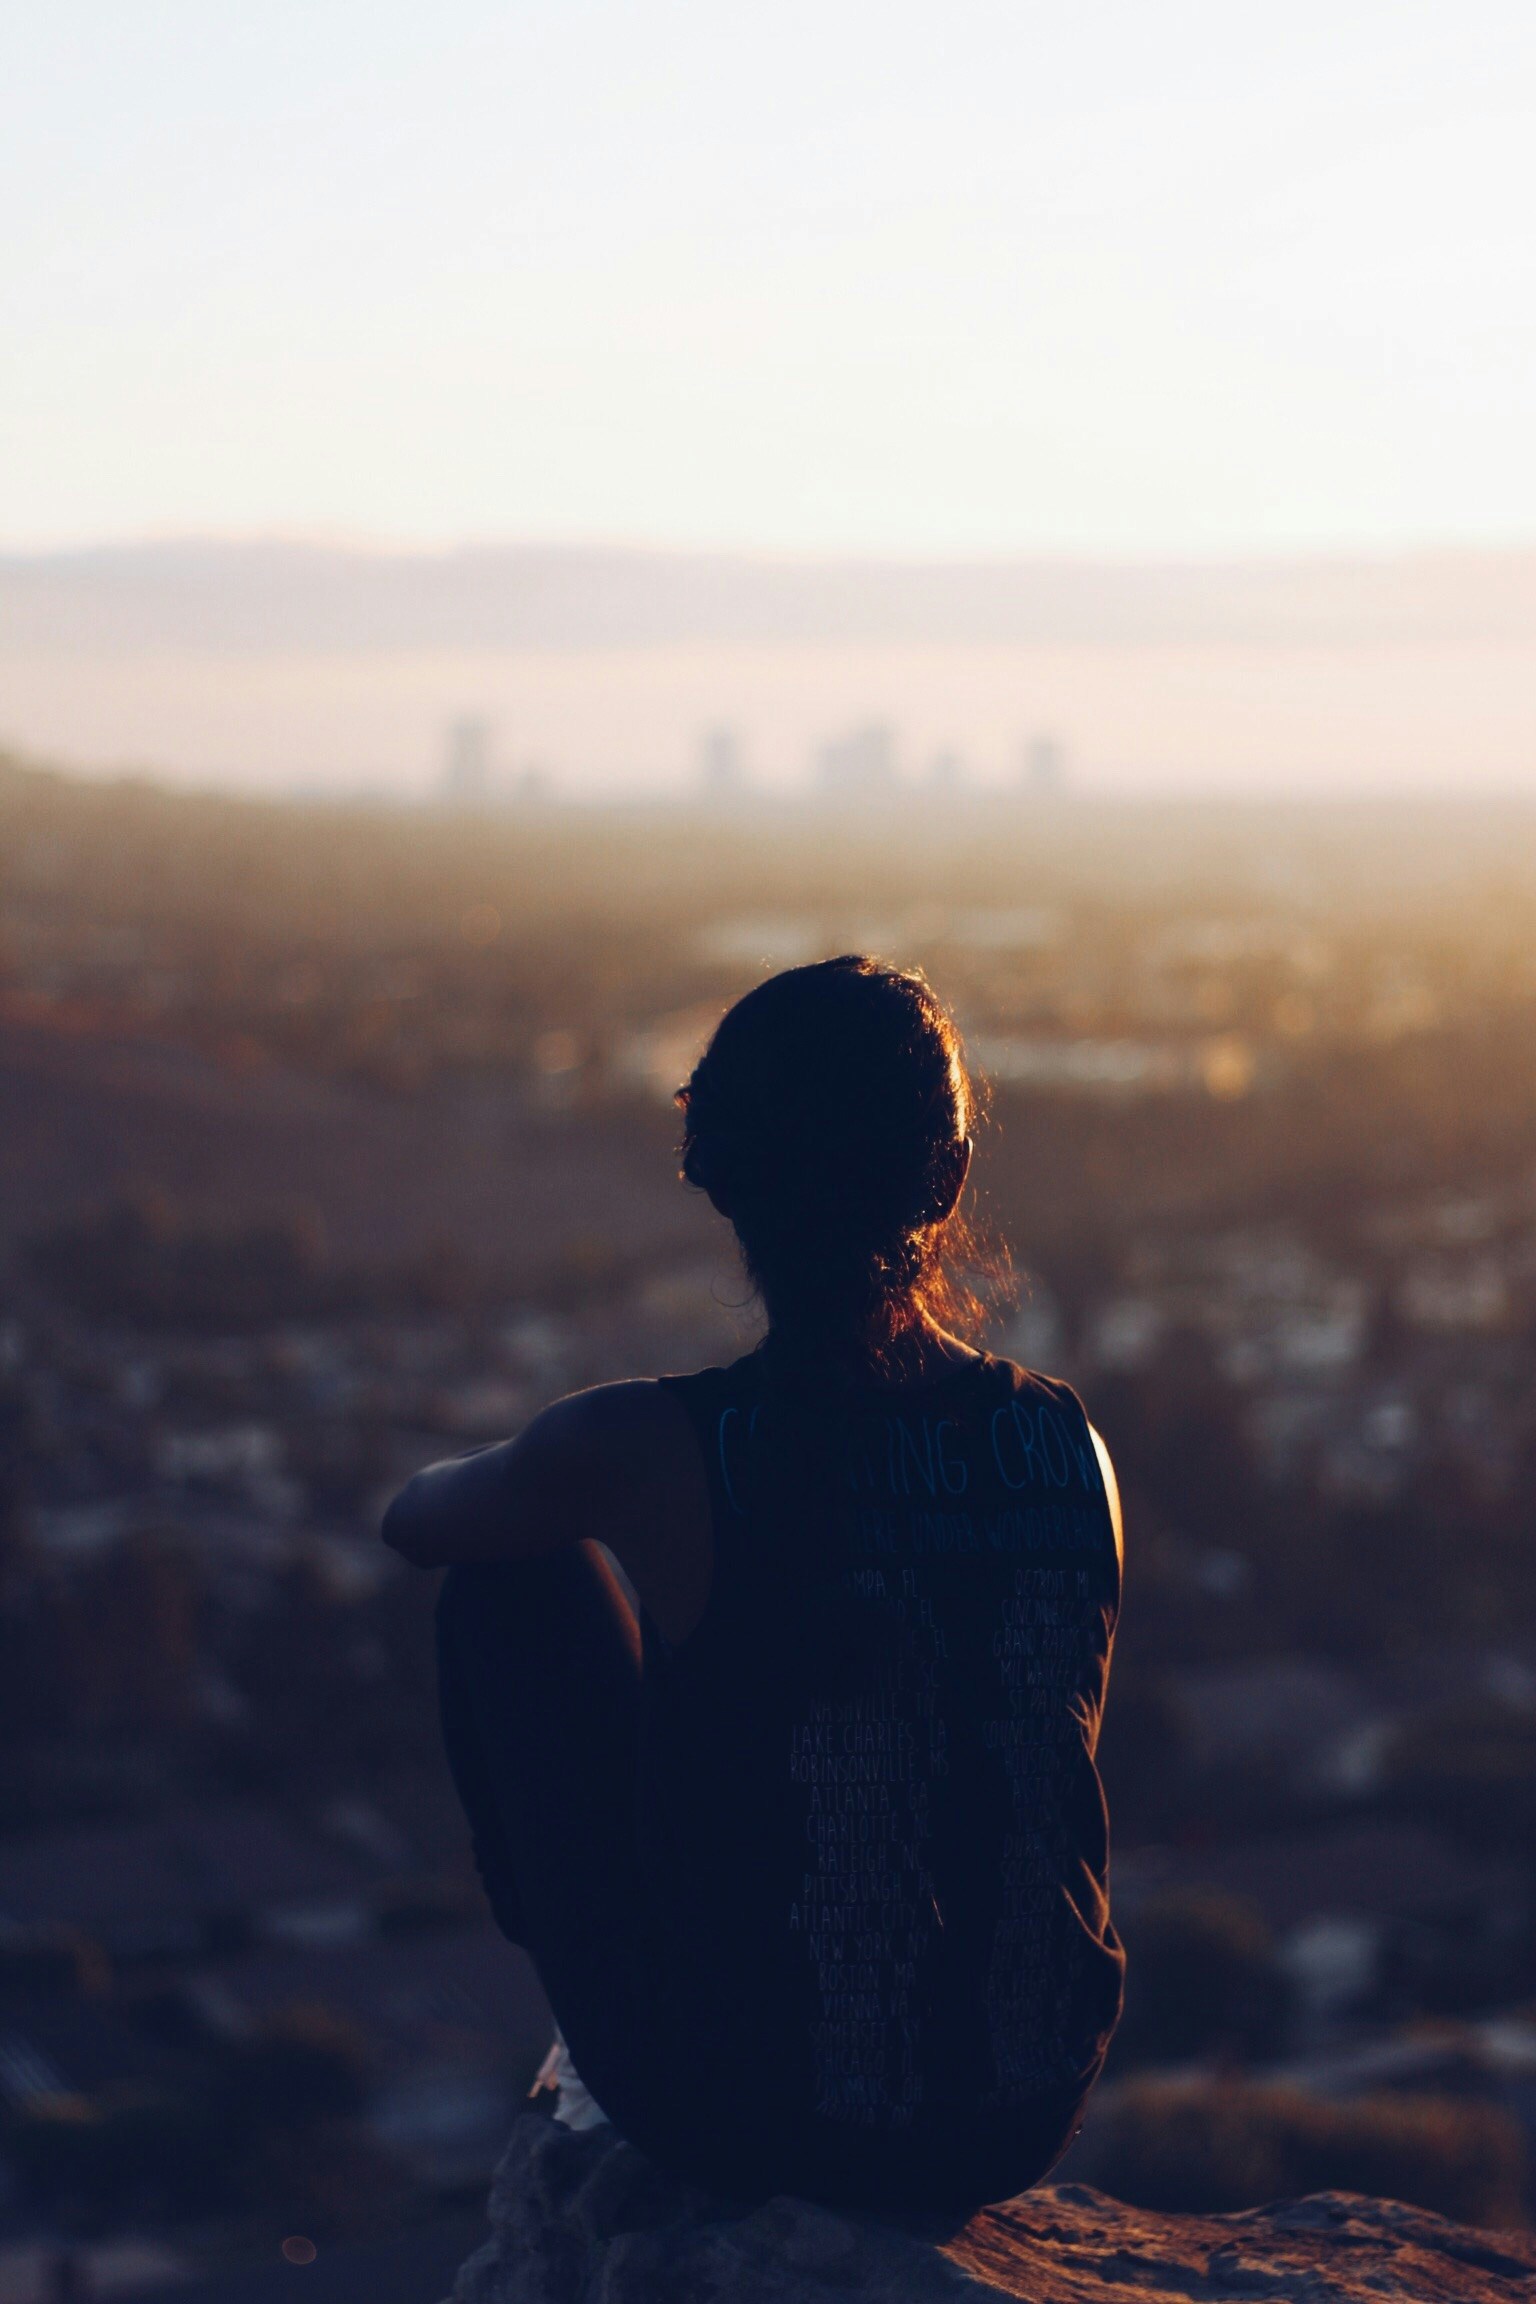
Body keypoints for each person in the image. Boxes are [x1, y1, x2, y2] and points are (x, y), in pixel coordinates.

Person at [383, 956, 1124, 2217]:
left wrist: (568, 1470)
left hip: (751, 2114)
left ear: (716, 1177)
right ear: (945, 1181)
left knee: (507, 1582)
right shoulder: (1069, 1445)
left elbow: (417, 1522)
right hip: (1020, 2111)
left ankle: (600, 2008)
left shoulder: (649, 1448)